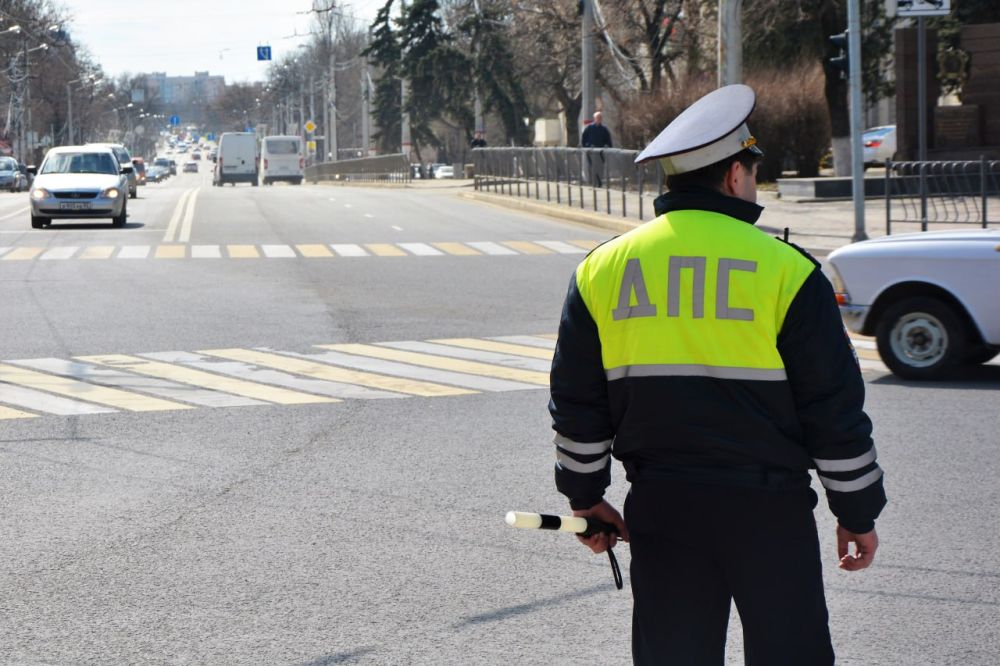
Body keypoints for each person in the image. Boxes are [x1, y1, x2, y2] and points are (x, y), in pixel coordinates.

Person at [548, 84, 886, 665]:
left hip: (663, 506)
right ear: (734, 176)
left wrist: (586, 497)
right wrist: (855, 511)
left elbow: (577, 407)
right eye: (753, 173)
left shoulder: (601, 270)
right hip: (770, 512)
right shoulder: (788, 272)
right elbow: (832, 411)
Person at [581, 111, 612, 186]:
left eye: (600, 118)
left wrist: (608, 146)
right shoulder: (589, 128)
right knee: (593, 167)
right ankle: (594, 182)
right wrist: (585, 147)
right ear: (594, 118)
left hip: (601, 151)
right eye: (597, 118)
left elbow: (608, 140)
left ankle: (599, 181)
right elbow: (583, 138)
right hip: (591, 152)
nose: (599, 119)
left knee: (600, 167)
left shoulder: (604, 129)